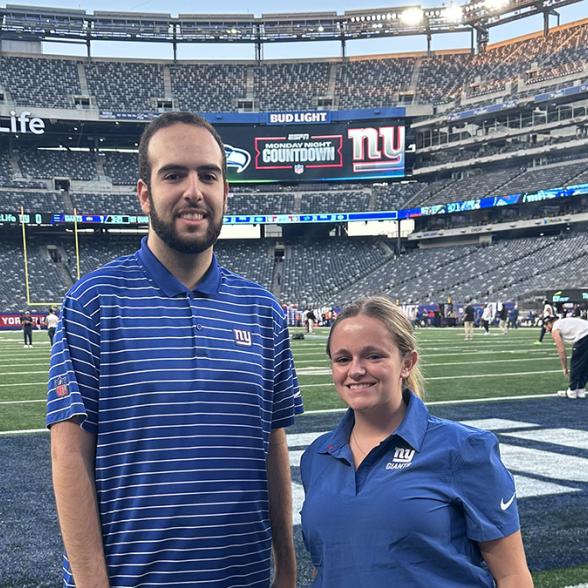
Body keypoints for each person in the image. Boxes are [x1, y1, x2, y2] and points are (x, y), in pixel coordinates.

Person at [47, 112, 303, 588]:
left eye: (209, 175)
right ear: (144, 193)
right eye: (174, 174)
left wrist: (286, 567)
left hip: (242, 578)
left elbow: (273, 446)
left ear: (227, 192)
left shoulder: (263, 310)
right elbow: (69, 457)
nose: (194, 190)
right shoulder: (93, 302)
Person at [300, 296, 532, 588]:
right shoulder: (317, 456)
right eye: (343, 359)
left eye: (374, 356)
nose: (356, 370)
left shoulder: (464, 449)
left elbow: (512, 575)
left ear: (407, 363)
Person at [544, 315, 588, 399]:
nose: (546, 329)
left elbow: (561, 350)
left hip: (584, 336)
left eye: (546, 326)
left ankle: (572, 390)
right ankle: (581, 389)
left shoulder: (555, 328)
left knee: (576, 363)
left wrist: (564, 367)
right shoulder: (562, 323)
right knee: (586, 364)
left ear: (549, 323)